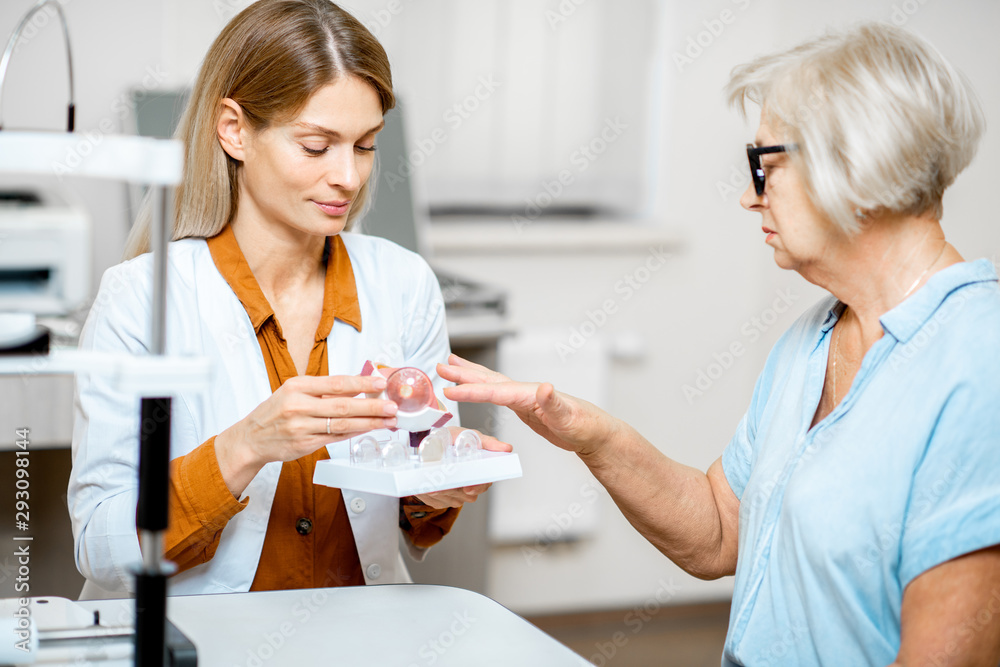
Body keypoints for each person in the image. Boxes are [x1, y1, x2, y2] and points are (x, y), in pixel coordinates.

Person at [439, 23, 1000, 666]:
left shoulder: (977, 367)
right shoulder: (811, 340)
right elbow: (720, 531)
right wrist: (587, 434)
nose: (746, 194)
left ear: (857, 162)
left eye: (765, 165)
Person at [68, 0, 507, 599]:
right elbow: (100, 544)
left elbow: (415, 512)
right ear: (234, 131)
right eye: (316, 145)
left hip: (358, 631)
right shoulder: (139, 299)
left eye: (365, 145)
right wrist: (247, 444)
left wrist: (440, 482)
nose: (348, 178)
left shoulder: (403, 283)